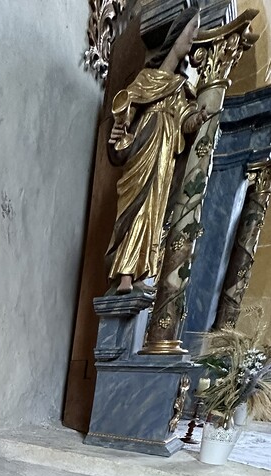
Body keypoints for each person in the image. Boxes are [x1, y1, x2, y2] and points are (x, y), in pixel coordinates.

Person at [106, 6, 211, 295]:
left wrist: (197, 119)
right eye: (191, 28)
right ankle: (124, 273)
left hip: (164, 156)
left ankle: (138, 272)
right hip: (143, 148)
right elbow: (125, 115)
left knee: (153, 210)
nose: (194, 36)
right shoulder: (146, 78)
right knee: (134, 206)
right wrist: (118, 132)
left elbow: (186, 122)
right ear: (177, 33)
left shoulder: (181, 88)